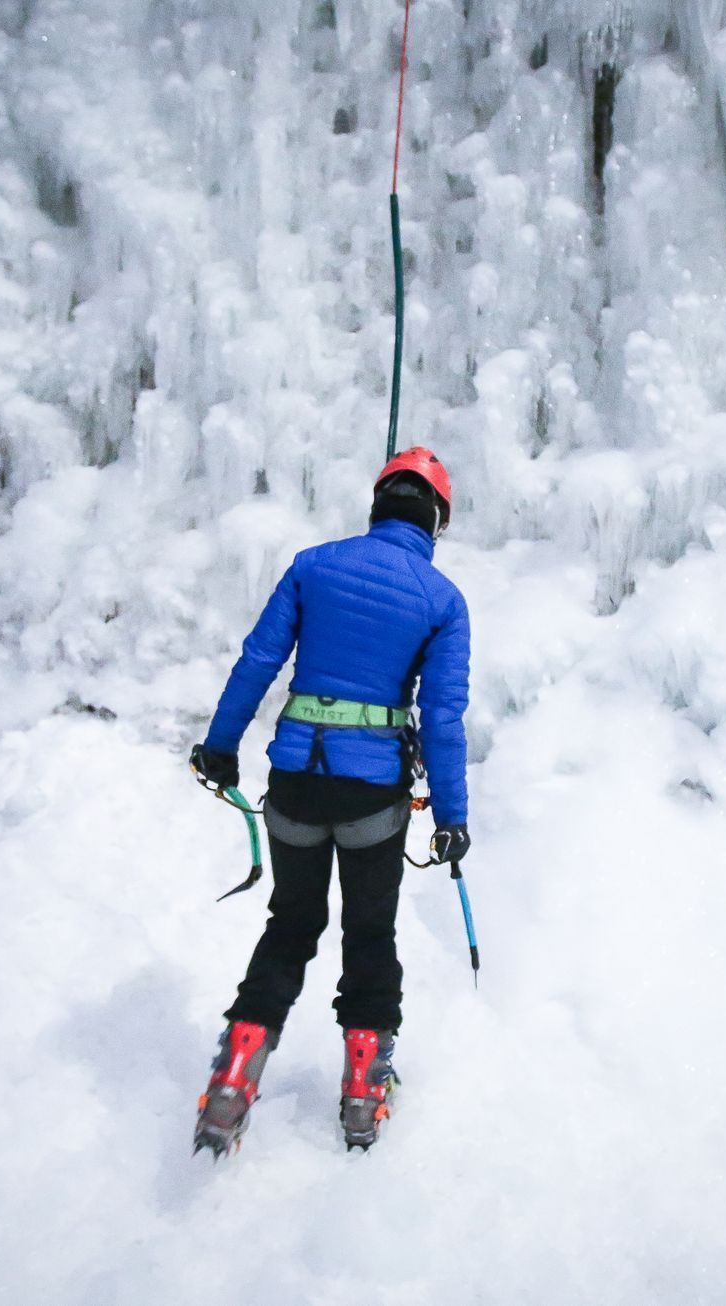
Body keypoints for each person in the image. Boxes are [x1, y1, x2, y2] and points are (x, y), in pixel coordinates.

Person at [188, 447, 472, 1155]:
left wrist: (220, 745)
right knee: (369, 935)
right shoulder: (442, 601)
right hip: (374, 792)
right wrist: (452, 816)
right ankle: (362, 1095)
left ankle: (233, 1080)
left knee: (291, 925)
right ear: (435, 521)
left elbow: (259, 659)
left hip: (294, 780)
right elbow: (440, 718)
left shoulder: (315, 565)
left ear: (379, 504)